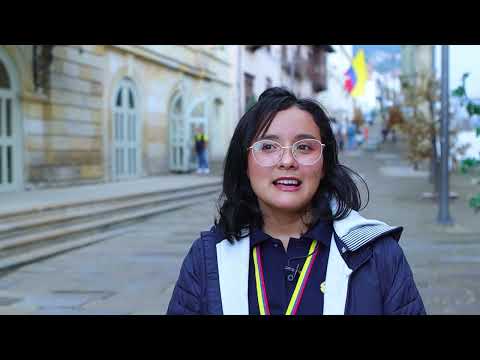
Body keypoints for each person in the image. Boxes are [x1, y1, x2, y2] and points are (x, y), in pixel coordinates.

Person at [167, 87, 426, 315]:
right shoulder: (206, 258)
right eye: (268, 147)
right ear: (244, 164)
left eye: (304, 147)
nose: (288, 161)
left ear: (324, 164)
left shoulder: (378, 255)